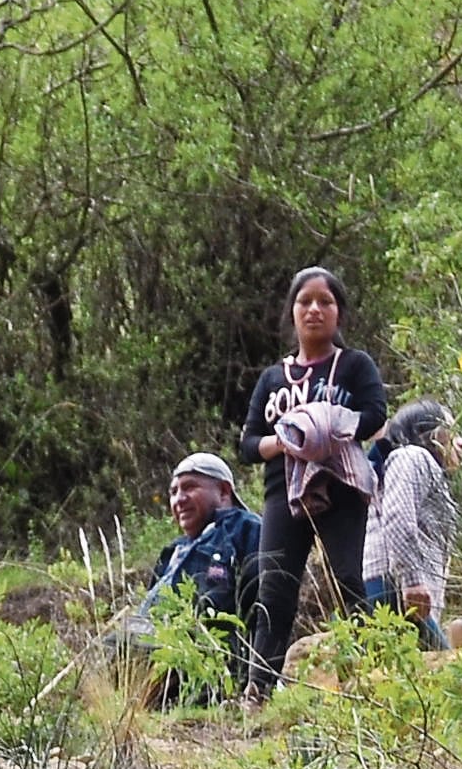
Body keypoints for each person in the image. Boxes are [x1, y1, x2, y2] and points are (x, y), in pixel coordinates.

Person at [240, 265, 393, 695]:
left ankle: (370, 681)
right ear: (292, 312)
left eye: (325, 302)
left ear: (339, 313)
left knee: (349, 579)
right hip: (283, 495)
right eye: (305, 301)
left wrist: (330, 425)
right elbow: (248, 443)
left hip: (342, 490)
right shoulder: (273, 379)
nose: (314, 310)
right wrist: (284, 443)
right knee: (275, 587)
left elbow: (376, 414)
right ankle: (259, 689)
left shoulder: (354, 365)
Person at [138, 451, 256, 694]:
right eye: (173, 492)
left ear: (224, 492)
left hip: (210, 663)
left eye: (189, 487)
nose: (179, 500)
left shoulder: (246, 529)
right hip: (156, 651)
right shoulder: (173, 550)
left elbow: (264, 603)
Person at [368, 400, 461, 647]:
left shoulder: (414, 463)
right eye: (452, 432)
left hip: (394, 591)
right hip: (393, 592)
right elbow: (398, 517)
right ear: (429, 434)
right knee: (446, 675)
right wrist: (412, 582)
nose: (461, 442)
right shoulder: (411, 457)